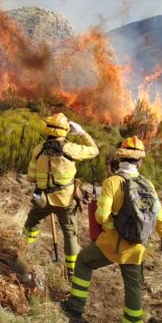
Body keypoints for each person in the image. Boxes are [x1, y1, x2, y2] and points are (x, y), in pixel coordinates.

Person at [62, 136, 162, 323]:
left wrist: (111, 228)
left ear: (119, 159)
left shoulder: (112, 182)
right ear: (139, 162)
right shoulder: (147, 184)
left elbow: (101, 216)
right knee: (133, 287)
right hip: (135, 248)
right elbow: (159, 217)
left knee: (84, 261)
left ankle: (75, 307)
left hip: (110, 245)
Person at [23, 113, 99, 278]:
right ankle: (71, 272)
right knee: (70, 234)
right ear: (65, 131)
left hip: (42, 200)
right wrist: (81, 132)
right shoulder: (69, 148)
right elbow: (94, 150)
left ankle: (23, 255)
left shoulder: (38, 150)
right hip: (65, 201)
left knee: (31, 225)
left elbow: (31, 177)